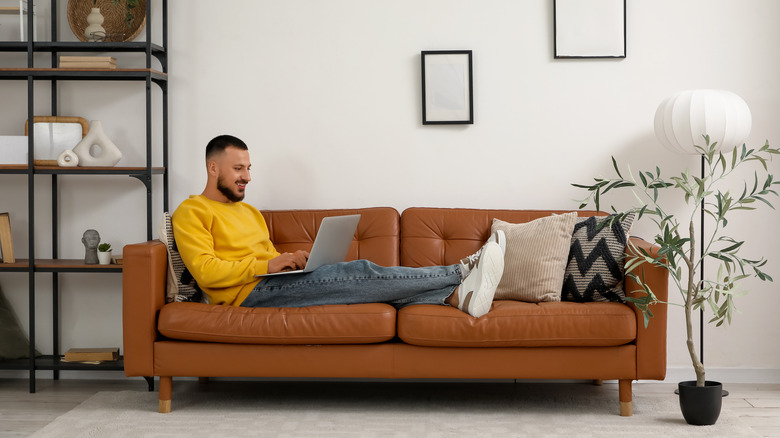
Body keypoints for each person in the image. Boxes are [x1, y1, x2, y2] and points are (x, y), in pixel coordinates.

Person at [171, 135, 506, 318]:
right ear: (213, 168)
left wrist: (291, 260)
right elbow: (207, 272)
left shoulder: (249, 212)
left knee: (370, 293)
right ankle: (459, 273)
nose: (247, 176)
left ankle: (455, 298)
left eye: (248, 168)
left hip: (271, 283)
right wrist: (268, 265)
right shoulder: (191, 211)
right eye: (238, 169)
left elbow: (267, 258)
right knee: (362, 271)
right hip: (247, 296)